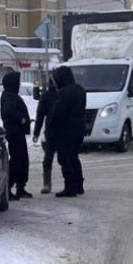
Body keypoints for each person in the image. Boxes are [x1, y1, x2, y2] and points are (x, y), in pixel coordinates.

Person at [48, 66, 87, 198]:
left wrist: (52, 129)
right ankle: (79, 185)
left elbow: (58, 114)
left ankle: (70, 187)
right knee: (74, 157)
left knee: (65, 158)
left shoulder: (63, 93)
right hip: (79, 129)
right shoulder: (80, 90)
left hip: (65, 131)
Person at [0, 71, 33, 199]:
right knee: (18, 161)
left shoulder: (9, 95)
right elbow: (8, 112)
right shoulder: (10, 97)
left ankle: (20, 188)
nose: (19, 85)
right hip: (15, 133)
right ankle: (9, 187)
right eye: (17, 82)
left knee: (21, 160)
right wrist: (21, 119)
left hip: (16, 133)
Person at [33, 78, 57, 194]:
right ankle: (47, 184)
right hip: (52, 131)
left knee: (67, 158)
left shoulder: (65, 94)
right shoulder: (47, 96)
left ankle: (72, 182)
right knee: (48, 158)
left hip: (61, 130)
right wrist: (36, 132)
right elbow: (40, 115)